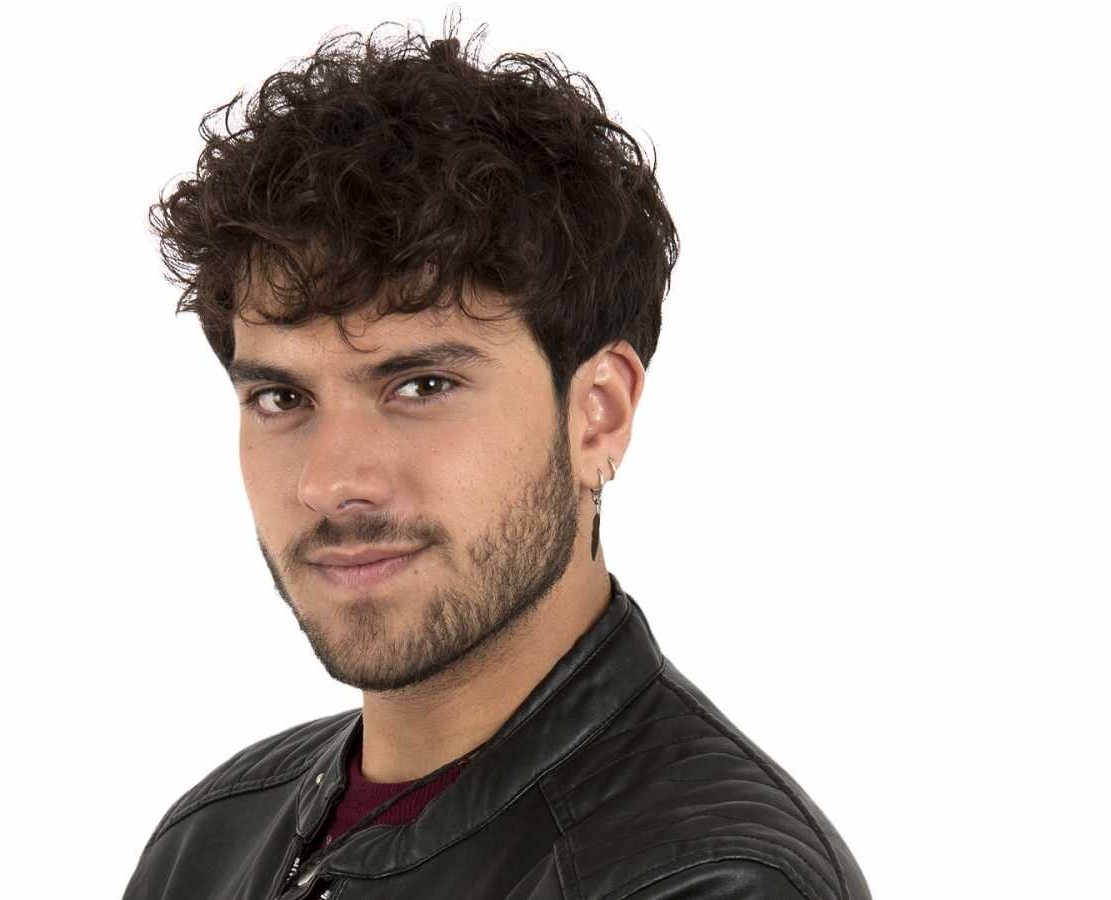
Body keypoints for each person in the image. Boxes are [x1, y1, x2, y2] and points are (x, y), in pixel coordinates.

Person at [122, 17, 870, 900]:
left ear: (597, 416)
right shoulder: (210, 841)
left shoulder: (706, 879)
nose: (332, 482)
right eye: (283, 399)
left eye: (422, 386)